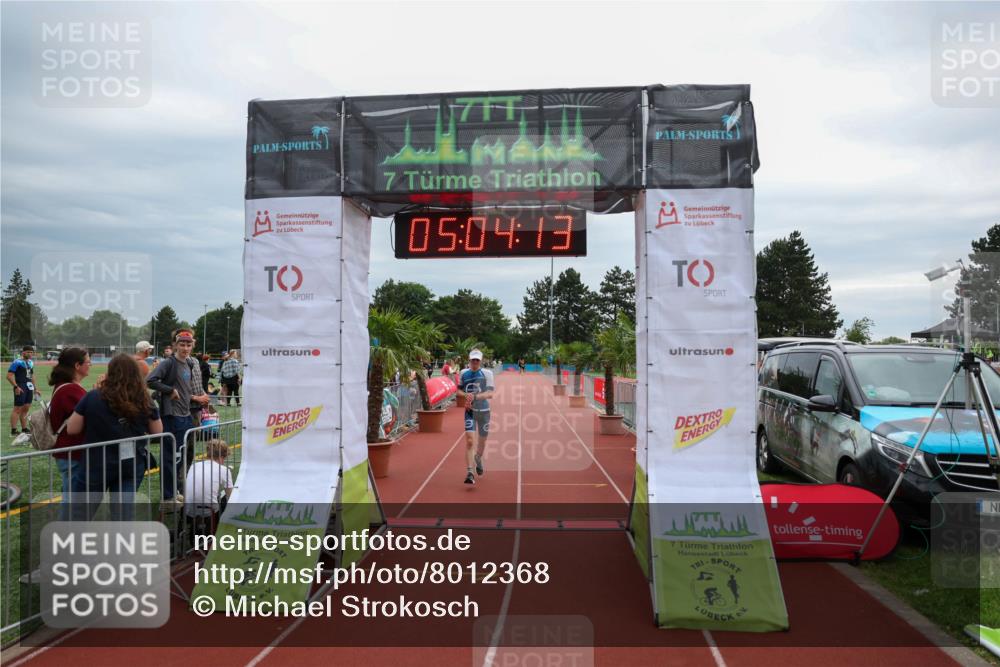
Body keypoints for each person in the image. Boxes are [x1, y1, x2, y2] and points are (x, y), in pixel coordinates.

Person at [66, 354, 163, 521]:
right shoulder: (143, 398)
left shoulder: (94, 395)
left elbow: (72, 428)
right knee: (123, 515)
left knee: (81, 515)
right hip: (130, 463)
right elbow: (158, 431)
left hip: (96, 462)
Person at [146, 329, 209, 507]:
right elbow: (150, 380)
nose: (185, 348)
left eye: (188, 345)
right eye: (182, 344)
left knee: (179, 456)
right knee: (169, 457)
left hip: (185, 414)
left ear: (192, 346)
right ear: (175, 345)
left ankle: (174, 491)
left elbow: (187, 389)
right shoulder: (169, 363)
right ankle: (167, 497)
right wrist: (169, 390)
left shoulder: (188, 363)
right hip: (172, 415)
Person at [47, 347, 91, 519]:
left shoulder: (67, 387)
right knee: (74, 500)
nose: (90, 365)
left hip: (70, 452)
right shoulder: (70, 390)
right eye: (88, 362)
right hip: (73, 452)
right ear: (77, 366)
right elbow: (88, 416)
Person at [455, 349, 494, 485]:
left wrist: (475, 397)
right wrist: (466, 395)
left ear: (480, 361)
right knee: (470, 441)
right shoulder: (464, 373)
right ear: (469, 360)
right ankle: (470, 472)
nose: (475, 362)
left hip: (484, 411)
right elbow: (458, 390)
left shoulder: (487, 373)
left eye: (477, 360)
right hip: (470, 411)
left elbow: (490, 394)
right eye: (473, 360)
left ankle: (478, 457)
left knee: (482, 442)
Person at [184, 438, 233, 538]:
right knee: (225, 500)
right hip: (209, 510)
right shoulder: (224, 470)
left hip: (188, 509)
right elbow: (230, 496)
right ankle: (221, 531)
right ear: (221, 457)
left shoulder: (194, 466)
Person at [7, 345, 36, 436]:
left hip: (29, 386)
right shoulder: (17, 362)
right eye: (28, 352)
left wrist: (35, 388)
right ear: (23, 353)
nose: (30, 354)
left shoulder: (31, 362)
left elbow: (32, 376)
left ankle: (24, 429)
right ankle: (13, 430)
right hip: (20, 386)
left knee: (26, 408)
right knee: (17, 408)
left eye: (31, 352)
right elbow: (9, 376)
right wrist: (16, 387)